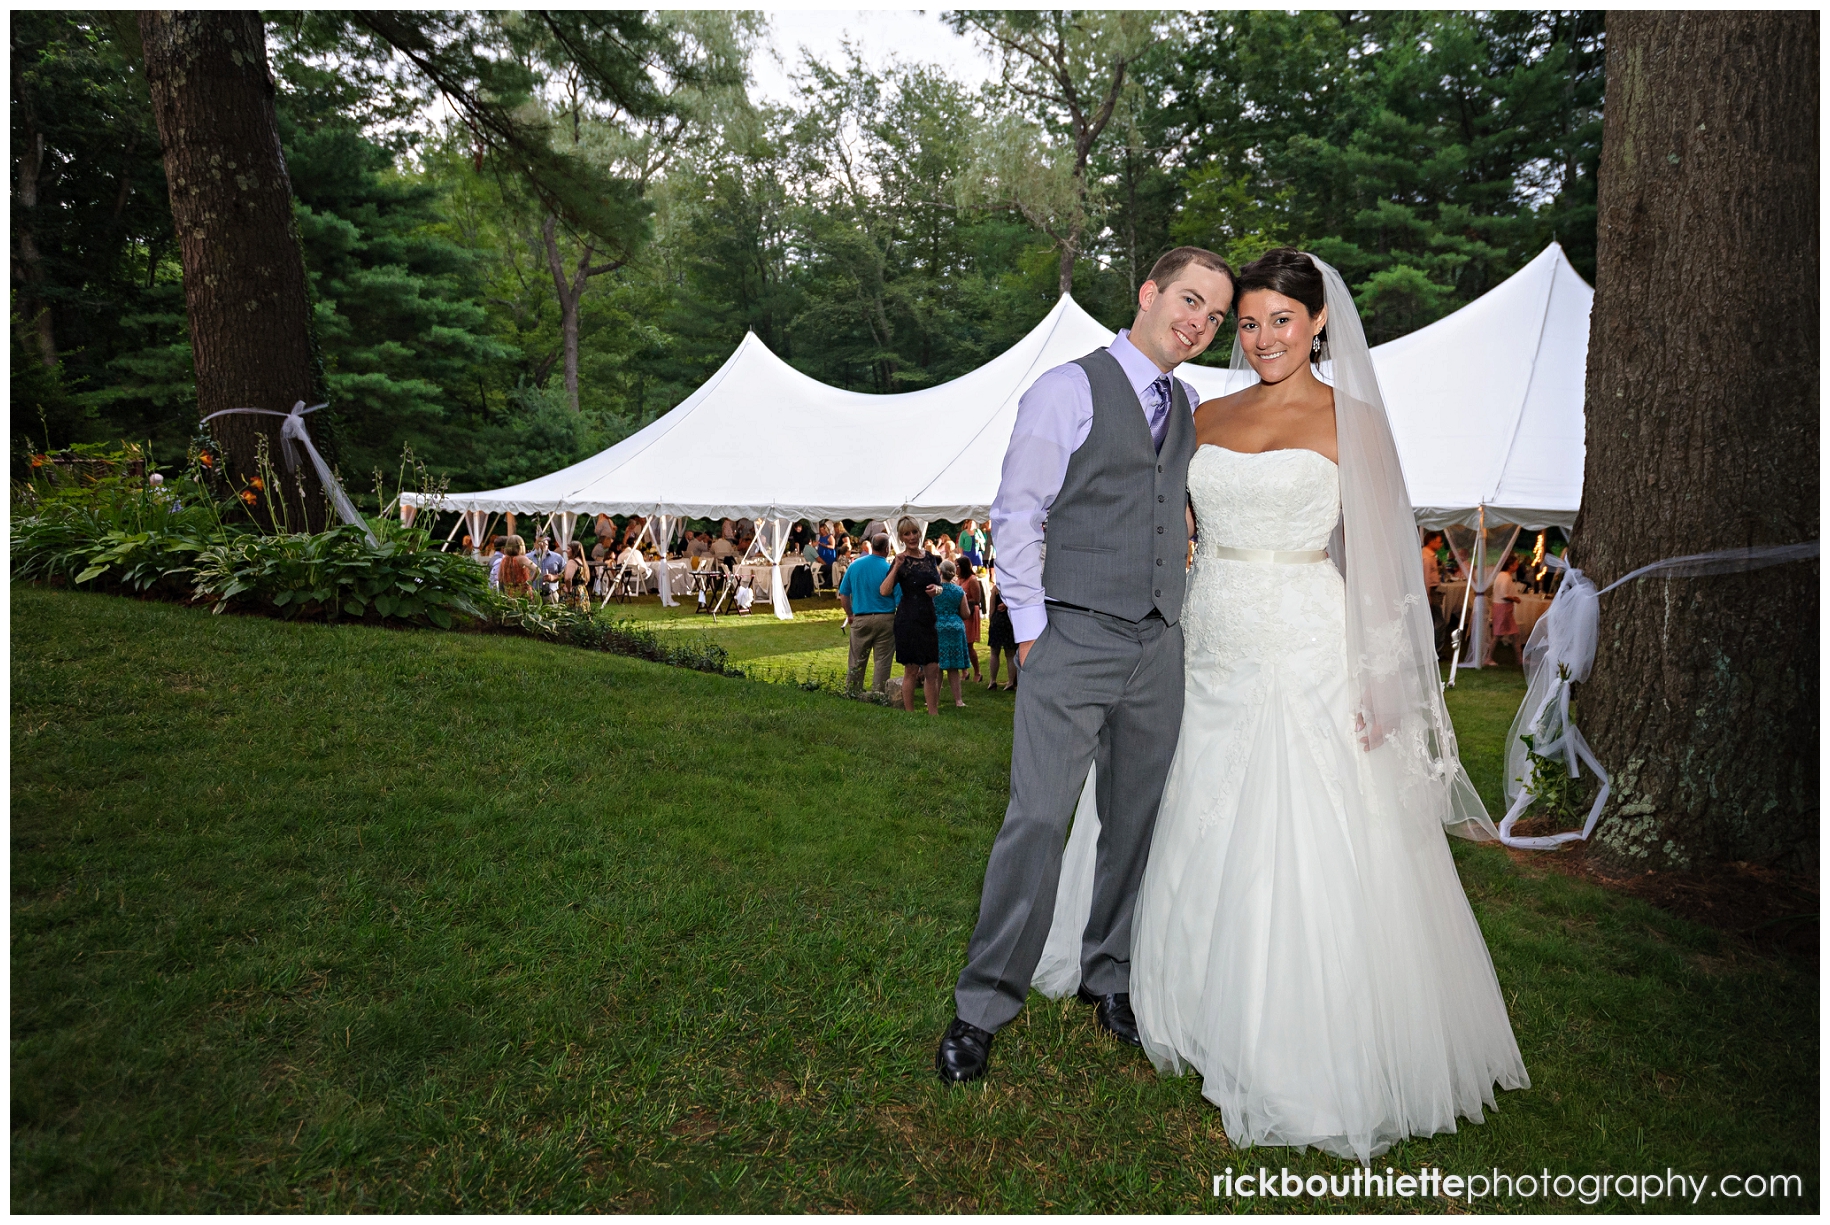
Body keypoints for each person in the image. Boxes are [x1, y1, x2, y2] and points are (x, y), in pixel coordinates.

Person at [1037, 248, 1528, 1160]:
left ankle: (1289, 1032)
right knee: (1179, 801)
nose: (1262, 337)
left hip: (1307, 635)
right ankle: (1147, 976)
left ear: (1319, 326)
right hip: (1203, 633)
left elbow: (1384, 568)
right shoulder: (1200, 413)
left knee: (1299, 820)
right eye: (1249, 321)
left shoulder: (1357, 421)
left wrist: (1384, 678)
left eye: (1281, 321)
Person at [935, 245, 1232, 1083]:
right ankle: (982, 1005)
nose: (1198, 323)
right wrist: (1031, 630)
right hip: (1071, 637)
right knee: (1036, 819)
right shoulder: (1068, 388)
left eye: (1213, 316)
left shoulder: (1188, 402)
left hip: (1157, 644)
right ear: (1148, 292)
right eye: (1188, 300)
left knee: (1135, 822)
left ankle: (1110, 977)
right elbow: (1017, 511)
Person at [882, 516, 943, 716]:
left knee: (932, 668)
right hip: (908, 619)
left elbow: (940, 584)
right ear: (901, 537)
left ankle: (933, 714)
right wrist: (897, 566)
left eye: (914, 532)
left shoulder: (929, 558)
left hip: (927, 617)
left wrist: (937, 590)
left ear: (919, 533)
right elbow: (884, 590)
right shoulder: (900, 560)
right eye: (907, 534)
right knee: (911, 669)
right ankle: (909, 713)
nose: (912, 537)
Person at [839, 533, 898, 698]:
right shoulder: (890, 570)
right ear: (887, 549)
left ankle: (852, 692)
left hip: (861, 617)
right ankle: (878, 694)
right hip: (886, 618)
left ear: (871, 546)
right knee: (882, 661)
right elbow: (899, 598)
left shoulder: (855, 565)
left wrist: (850, 614)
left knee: (857, 659)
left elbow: (843, 594)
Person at [934, 560, 971, 708]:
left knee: (937, 667)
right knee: (953, 667)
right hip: (955, 627)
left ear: (940, 572)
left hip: (938, 627)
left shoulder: (935, 590)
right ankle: (958, 700)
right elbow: (966, 613)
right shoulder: (959, 591)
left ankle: (933, 700)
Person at [1483, 552, 1524, 666]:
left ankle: (1519, 659)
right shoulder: (1505, 577)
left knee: (1515, 633)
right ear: (1510, 565)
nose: (1517, 566)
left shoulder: (1501, 575)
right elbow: (1504, 595)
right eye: (1516, 564)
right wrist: (1515, 599)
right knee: (1497, 634)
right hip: (1502, 608)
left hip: (1503, 608)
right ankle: (1488, 657)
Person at [985, 581, 1018, 691]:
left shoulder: (996, 588)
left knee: (994, 653)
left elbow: (992, 608)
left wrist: (991, 620)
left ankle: (992, 681)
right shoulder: (1014, 588)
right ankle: (1010, 682)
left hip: (997, 621)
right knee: (1010, 654)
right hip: (1009, 622)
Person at [958, 556, 986, 683]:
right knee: (960, 644)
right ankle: (964, 671)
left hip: (969, 613)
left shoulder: (972, 580)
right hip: (960, 613)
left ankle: (977, 672)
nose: (956, 568)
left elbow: (976, 599)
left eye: (957, 566)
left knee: (968, 644)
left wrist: (963, 601)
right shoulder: (959, 580)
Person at [530, 535, 565, 602]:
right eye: (539, 542)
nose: (542, 545)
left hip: (551, 594)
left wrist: (554, 577)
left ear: (547, 544)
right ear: (534, 544)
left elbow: (565, 573)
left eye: (544, 542)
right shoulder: (527, 557)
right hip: (533, 595)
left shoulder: (557, 557)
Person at [562, 542, 592, 609]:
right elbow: (586, 581)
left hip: (574, 594)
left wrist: (569, 589)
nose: (566, 551)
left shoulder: (572, 562)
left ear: (574, 550)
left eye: (568, 549)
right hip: (582, 592)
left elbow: (568, 578)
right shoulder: (583, 563)